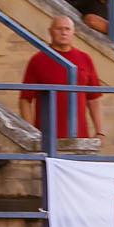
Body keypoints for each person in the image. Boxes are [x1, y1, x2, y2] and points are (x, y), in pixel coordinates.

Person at [19, 13, 101, 143]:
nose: (63, 32)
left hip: (80, 139)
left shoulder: (85, 59)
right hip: (48, 140)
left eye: (67, 29)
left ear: (73, 32)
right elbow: (25, 99)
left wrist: (99, 131)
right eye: (59, 28)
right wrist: (32, 133)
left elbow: (93, 98)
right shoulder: (38, 60)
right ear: (50, 32)